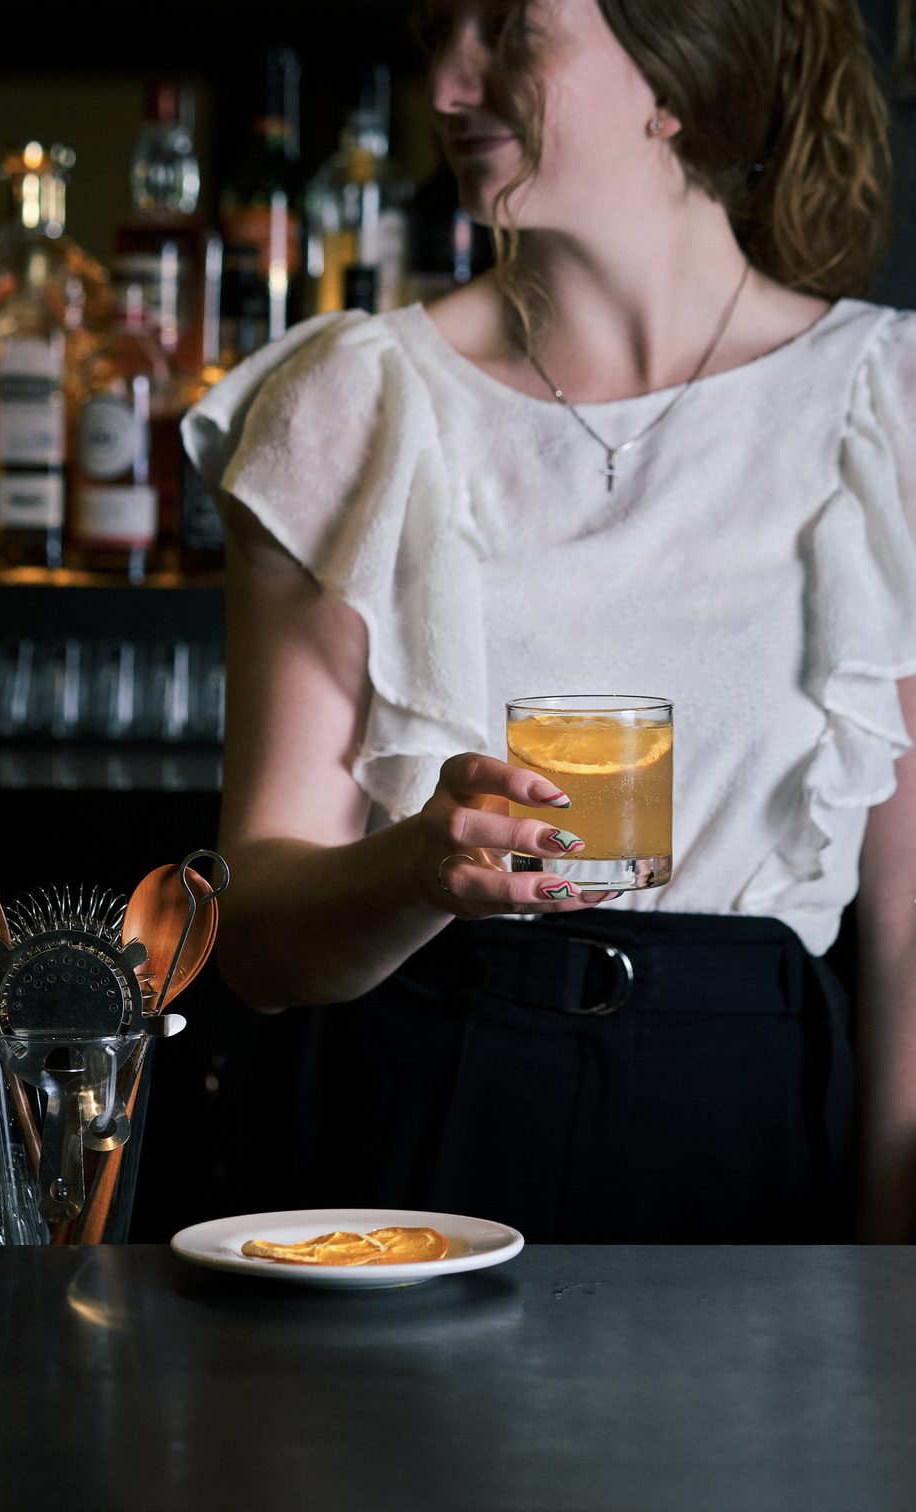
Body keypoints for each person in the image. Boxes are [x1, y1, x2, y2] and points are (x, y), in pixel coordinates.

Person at [184, 0, 916, 1242]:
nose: (451, 87)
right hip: (403, 1124)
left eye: (511, 32)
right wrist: (420, 874)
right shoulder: (354, 399)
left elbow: (908, 928)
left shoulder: (883, 403)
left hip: (748, 1134)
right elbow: (254, 937)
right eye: (438, 34)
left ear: (676, 73)